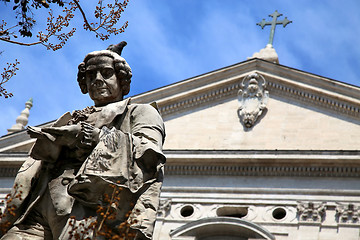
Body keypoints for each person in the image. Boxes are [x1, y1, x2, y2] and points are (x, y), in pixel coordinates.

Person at [0, 42, 166, 240]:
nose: (97, 80)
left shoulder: (140, 112)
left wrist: (94, 137)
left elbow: (148, 155)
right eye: (90, 75)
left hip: (86, 206)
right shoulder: (70, 117)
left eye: (106, 73)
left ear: (121, 79)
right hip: (37, 204)